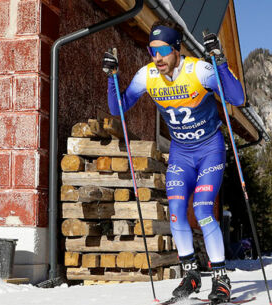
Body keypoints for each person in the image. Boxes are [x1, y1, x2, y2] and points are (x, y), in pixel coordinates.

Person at [102, 19, 245, 304]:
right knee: (177, 211)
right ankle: (190, 275)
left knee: (203, 209)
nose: (157, 57)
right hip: (181, 152)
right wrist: (112, 77)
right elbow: (118, 107)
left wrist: (220, 63)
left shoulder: (198, 71)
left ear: (177, 49)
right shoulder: (147, 75)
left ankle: (220, 279)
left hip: (209, 150)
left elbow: (237, 98)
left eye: (163, 50)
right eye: (151, 50)